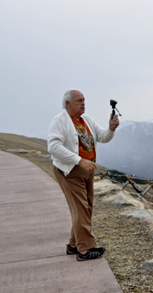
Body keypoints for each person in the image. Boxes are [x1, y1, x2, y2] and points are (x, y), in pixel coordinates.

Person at [48, 89, 120, 261]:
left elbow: (102, 137)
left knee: (85, 208)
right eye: (79, 101)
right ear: (67, 104)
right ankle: (85, 249)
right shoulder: (60, 120)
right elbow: (53, 147)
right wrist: (78, 160)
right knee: (81, 208)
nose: (83, 103)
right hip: (70, 170)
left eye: (84, 100)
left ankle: (74, 245)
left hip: (87, 169)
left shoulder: (86, 120)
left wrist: (111, 129)